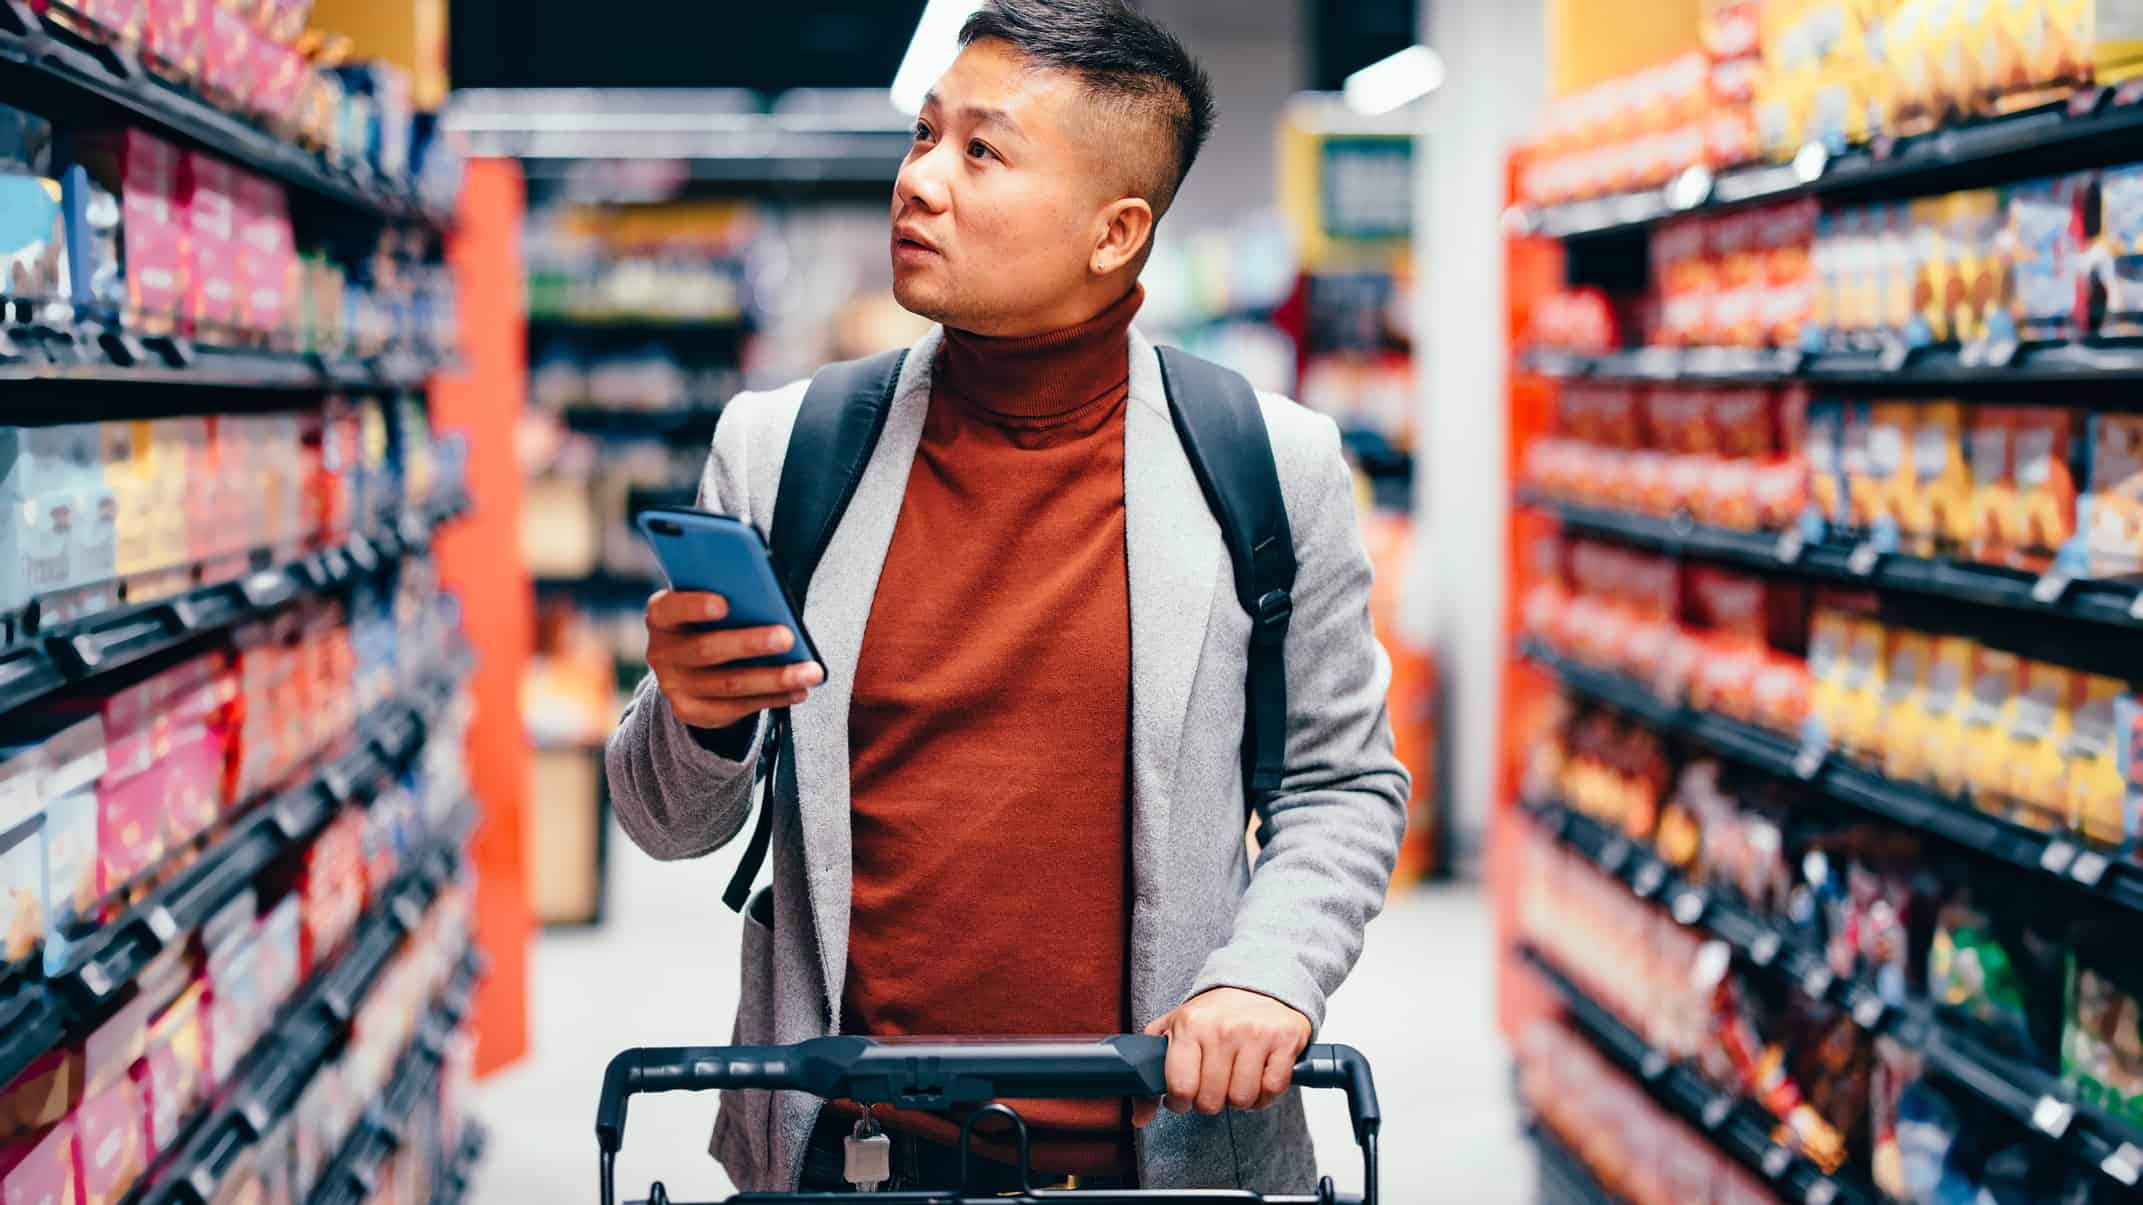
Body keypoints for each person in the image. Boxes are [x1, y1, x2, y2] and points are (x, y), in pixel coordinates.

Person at [604, 0, 1408, 1193]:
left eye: (981, 150)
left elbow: (1341, 779)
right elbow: (669, 822)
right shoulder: (785, 451)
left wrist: (1269, 969)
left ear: (1113, 231)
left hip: (1164, 1156)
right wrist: (702, 714)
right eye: (924, 133)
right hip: (845, 1154)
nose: (919, 179)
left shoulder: (1265, 465)